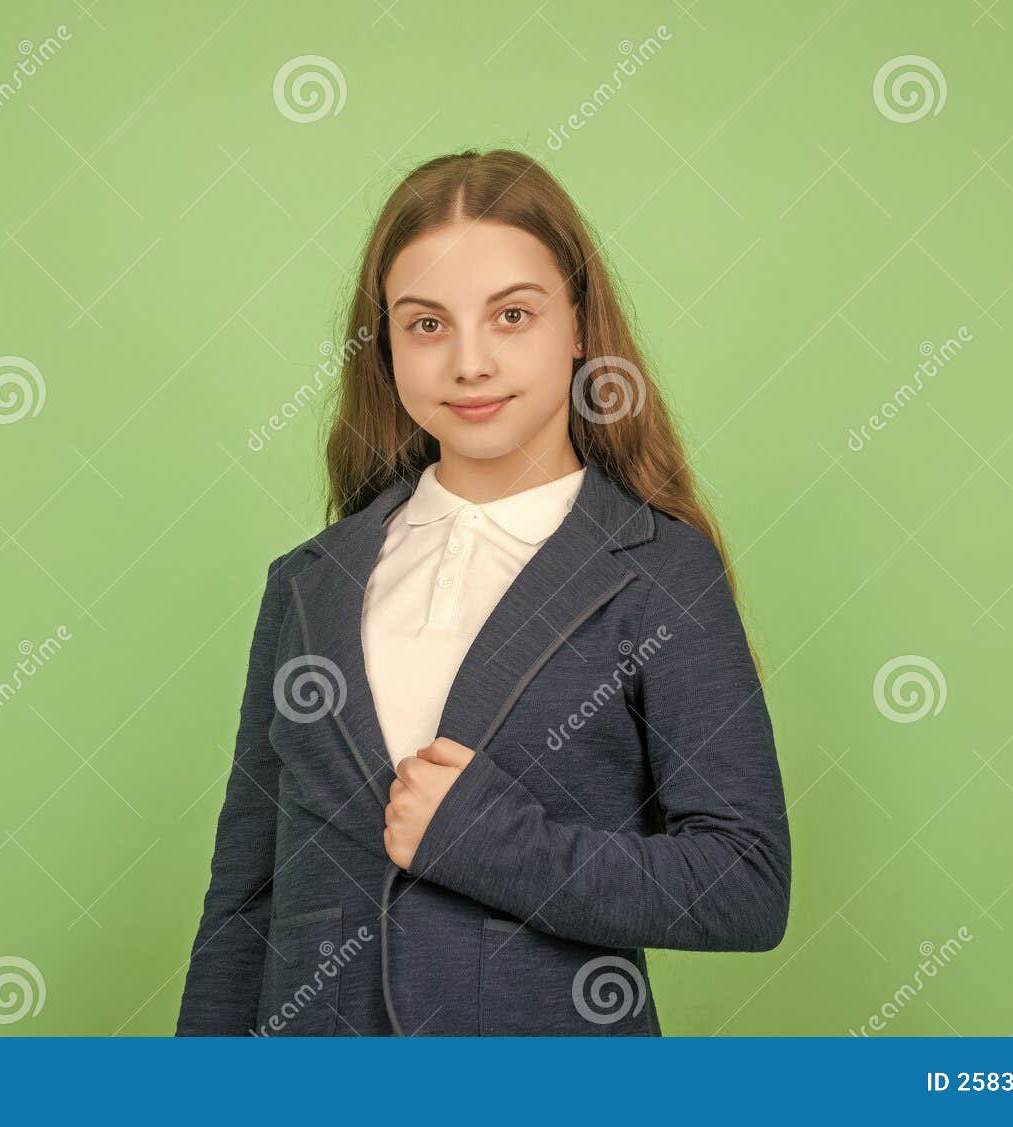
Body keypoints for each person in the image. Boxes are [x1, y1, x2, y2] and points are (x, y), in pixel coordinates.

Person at [176, 149, 791, 1036]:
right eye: (426, 324)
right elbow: (244, 901)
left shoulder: (660, 572)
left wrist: (495, 842)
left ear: (579, 324)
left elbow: (745, 883)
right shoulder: (308, 582)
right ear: (383, 343)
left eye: (511, 314)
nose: (470, 362)